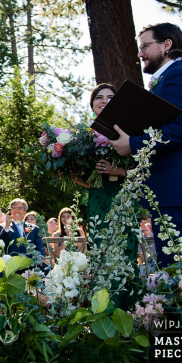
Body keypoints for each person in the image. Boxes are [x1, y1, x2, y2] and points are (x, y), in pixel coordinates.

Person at [110, 23, 182, 265]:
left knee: (181, 274)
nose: (140, 54)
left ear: (167, 45)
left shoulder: (179, 75)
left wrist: (134, 143)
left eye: (145, 47)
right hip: (180, 189)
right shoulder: (171, 77)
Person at [73, 83, 139, 269]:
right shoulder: (85, 135)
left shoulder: (129, 130)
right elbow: (91, 182)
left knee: (123, 249)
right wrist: (74, 177)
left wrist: (118, 170)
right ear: (92, 104)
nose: (104, 101)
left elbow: (144, 166)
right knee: (100, 251)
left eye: (110, 98)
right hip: (97, 201)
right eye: (99, 98)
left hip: (122, 199)